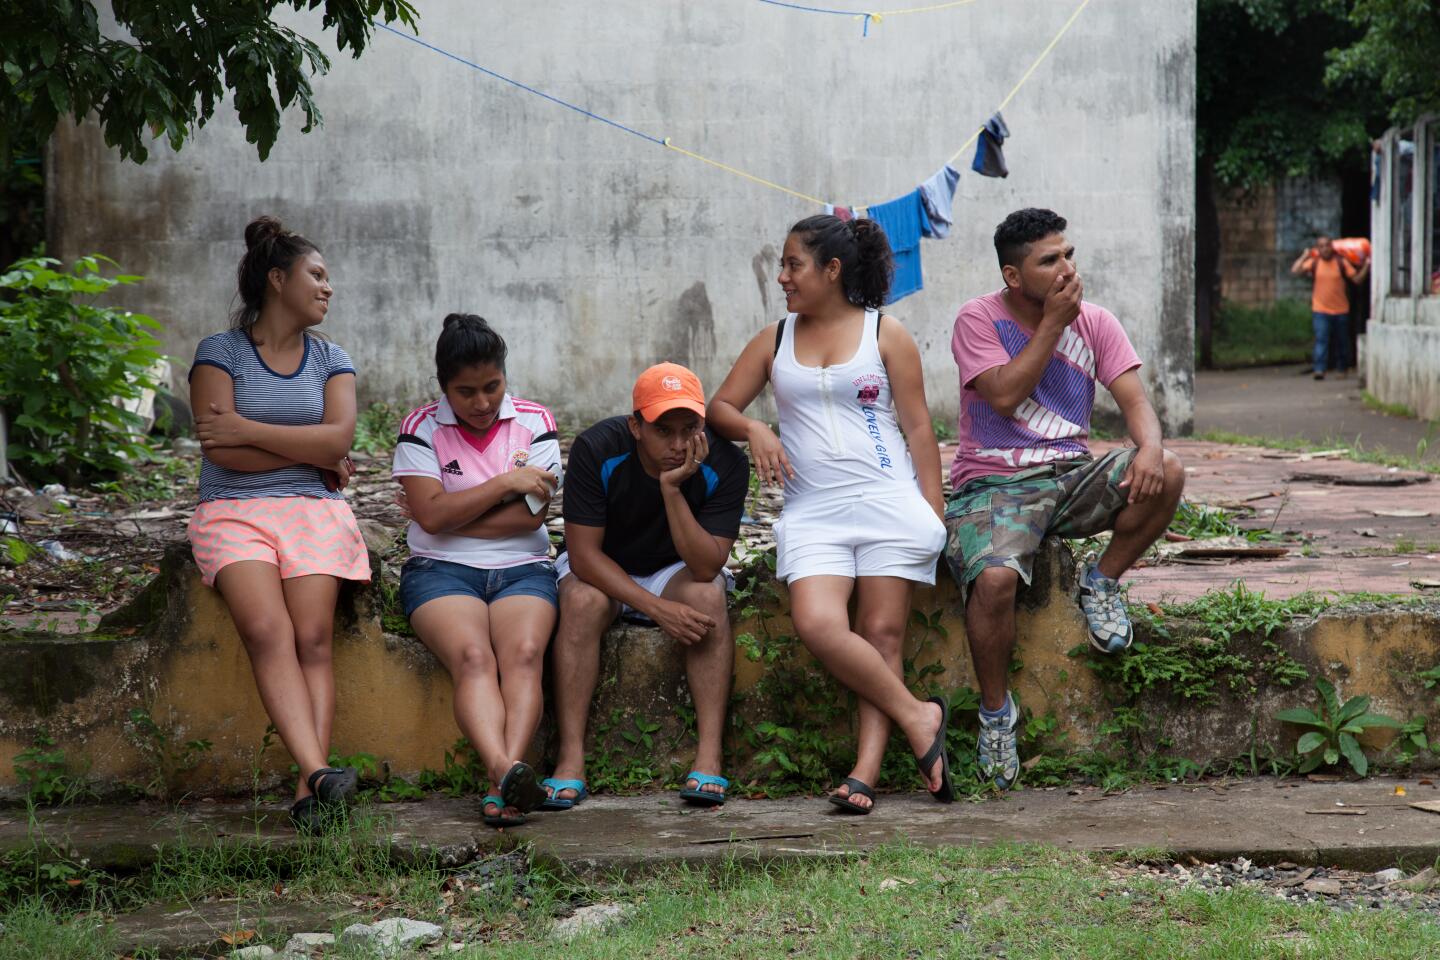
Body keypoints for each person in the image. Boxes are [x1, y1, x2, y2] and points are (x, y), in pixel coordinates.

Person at [709, 214, 953, 814]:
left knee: (882, 634)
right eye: (784, 265)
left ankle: (865, 771)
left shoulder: (884, 334)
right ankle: (920, 717)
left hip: (888, 499)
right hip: (814, 508)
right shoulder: (774, 339)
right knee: (819, 623)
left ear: (832, 270)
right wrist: (754, 427)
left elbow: (919, 425)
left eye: (793, 264)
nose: (782, 276)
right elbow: (717, 406)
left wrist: (934, 510)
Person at [944, 207, 1185, 791]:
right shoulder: (977, 319)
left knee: (1169, 469)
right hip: (995, 481)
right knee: (995, 581)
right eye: (1048, 260)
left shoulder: (1096, 321)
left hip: (1070, 474)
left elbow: (1134, 401)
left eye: (1068, 255)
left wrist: (1149, 446)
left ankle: (1100, 582)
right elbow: (1002, 395)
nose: (1065, 269)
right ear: (1012, 275)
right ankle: (997, 717)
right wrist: (1053, 324)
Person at [188, 216, 370, 833]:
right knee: (268, 632)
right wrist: (312, 450)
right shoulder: (219, 353)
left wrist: (251, 429)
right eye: (316, 275)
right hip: (232, 511)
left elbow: (340, 438)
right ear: (276, 279)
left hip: (312, 510)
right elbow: (222, 452)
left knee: (314, 641)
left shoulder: (333, 359)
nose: (327, 288)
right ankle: (320, 771)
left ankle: (306, 792)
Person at [543, 363, 748, 810]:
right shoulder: (598, 448)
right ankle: (571, 758)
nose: (678, 444)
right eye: (663, 430)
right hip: (603, 566)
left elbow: (705, 565)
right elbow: (583, 556)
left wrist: (673, 490)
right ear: (636, 426)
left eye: (689, 428)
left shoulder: (726, 461)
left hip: (674, 569)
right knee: (579, 601)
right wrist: (656, 609)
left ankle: (710, 754)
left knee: (708, 598)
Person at [392, 314, 561, 829]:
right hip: (439, 571)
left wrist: (450, 511)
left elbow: (529, 518)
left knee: (525, 655)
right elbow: (432, 518)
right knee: (472, 658)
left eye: (492, 386)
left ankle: (500, 783)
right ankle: (508, 772)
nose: (483, 403)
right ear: (444, 386)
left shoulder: (535, 421)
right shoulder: (419, 427)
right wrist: (508, 481)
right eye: (466, 392)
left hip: (524, 568)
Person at [1290, 234, 1369, 380]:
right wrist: (1304, 256)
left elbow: (1357, 279)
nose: (1325, 249)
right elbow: (1295, 270)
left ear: (1332, 247)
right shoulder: (1314, 262)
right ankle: (1319, 369)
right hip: (1320, 310)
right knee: (1321, 339)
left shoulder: (1342, 262)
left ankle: (1341, 368)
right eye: (1321, 246)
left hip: (1341, 310)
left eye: (1327, 245)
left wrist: (1366, 266)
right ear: (1318, 249)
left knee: (1342, 341)